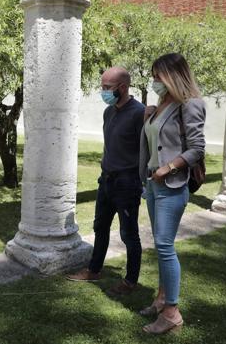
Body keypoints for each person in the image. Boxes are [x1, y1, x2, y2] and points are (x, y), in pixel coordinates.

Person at [139, 53, 206, 334]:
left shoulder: (190, 105)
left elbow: (197, 148)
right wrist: (149, 117)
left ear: (173, 76)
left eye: (158, 76)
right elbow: (155, 142)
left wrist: (168, 168)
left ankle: (172, 313)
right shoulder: (161, 106)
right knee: (160, 244)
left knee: (165, 247)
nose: (154, 81)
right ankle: (161, 298)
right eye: (153, 76)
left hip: (172, 184)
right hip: (154, 185)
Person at [66, 66, 144, 296]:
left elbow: (146, 148)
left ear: (123, 87)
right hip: (106, 180)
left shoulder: (139, 113)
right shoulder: (108, 112)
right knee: (100, 227)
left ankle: (130, 281)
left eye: (107, 88)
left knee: (129, 234)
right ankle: (94, 269)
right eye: (102, 87)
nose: (103, 92)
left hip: (127, 183)